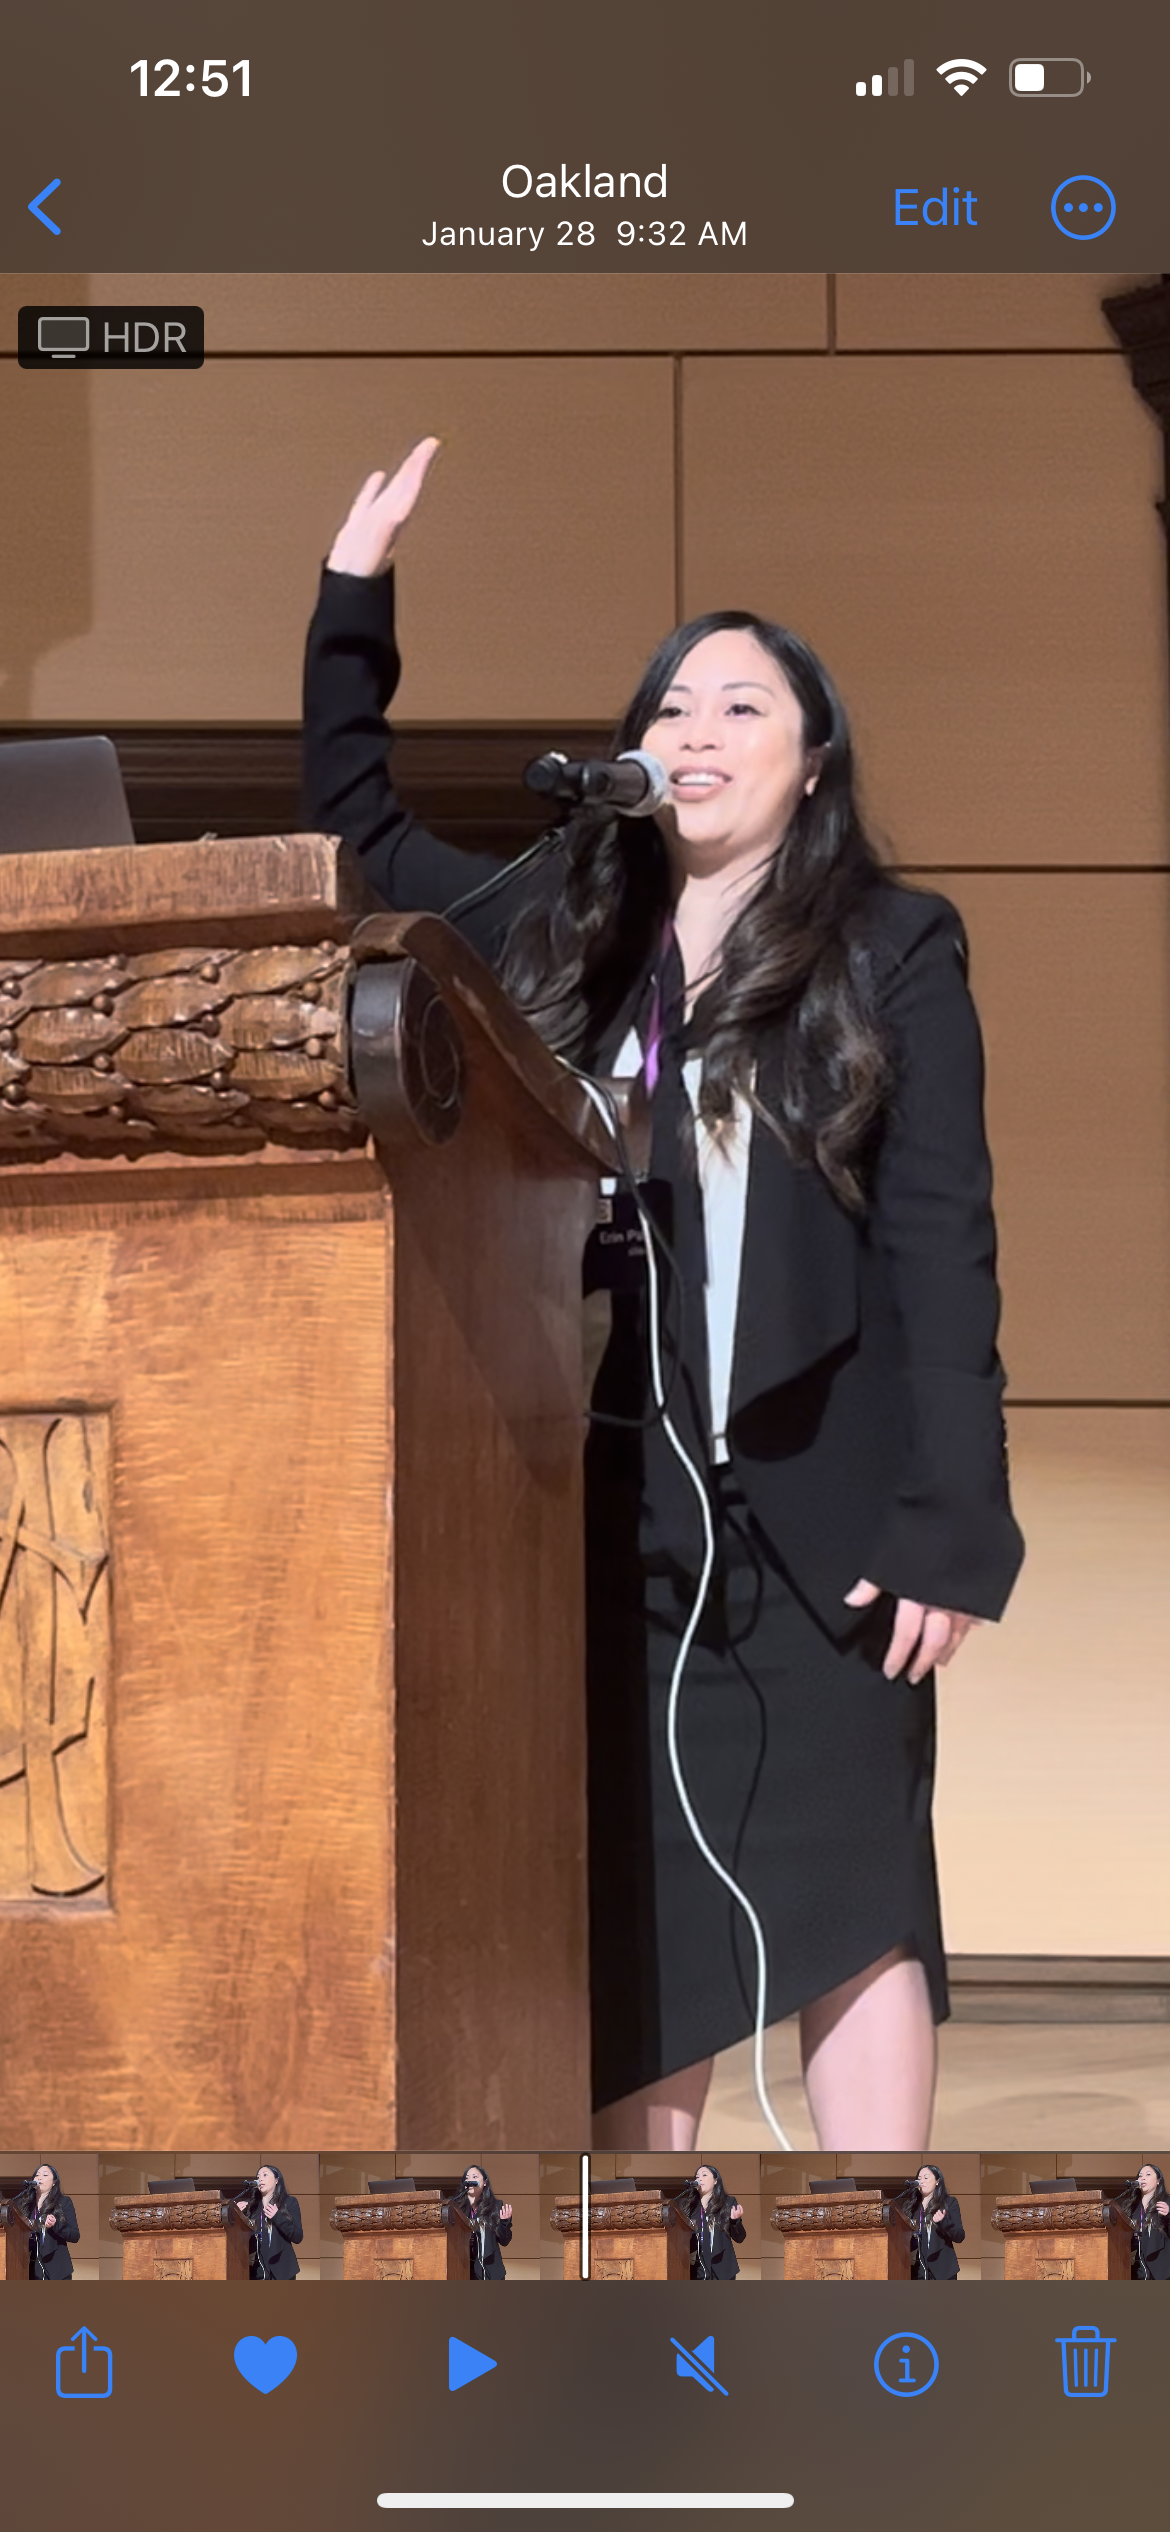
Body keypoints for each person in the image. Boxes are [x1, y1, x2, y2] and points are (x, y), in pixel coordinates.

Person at [303, 440, 1025, 2155]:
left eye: (740, 708)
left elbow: (943, 1242)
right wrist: (351, 596)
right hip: (621, 1519)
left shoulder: (892, 946)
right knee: (649, 1927)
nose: (694, 732)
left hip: (824, 1509)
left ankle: (872, 2257)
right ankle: (646, 2276)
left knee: (857, 1905)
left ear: (812, 761)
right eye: (670, 708)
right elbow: (358, 828)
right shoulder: (570, 924)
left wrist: (952, 1523)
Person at [677, 2163, 746, 2280]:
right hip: (697, 2267)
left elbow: (740, 2238)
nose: (699, 2179)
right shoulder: (688, 2206)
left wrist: (735, 2221)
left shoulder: (728, 2203)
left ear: (715, 2181)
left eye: (704, 2175)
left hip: (722, 2268)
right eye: (697, 2177)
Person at [235, 2166, 302, 2280]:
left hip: (282, 2270)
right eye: (258, 2177)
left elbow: (298, 2236)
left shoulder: (289, 2202)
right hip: (257, 2269)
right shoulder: (251, 2207)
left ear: (277, 2180)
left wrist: (277, 2217)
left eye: (265, 2175)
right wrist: (238, 2216)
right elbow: (241, 2237)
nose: (260, 2179)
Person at [901, 2163, 964, 2279]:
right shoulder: (911, 2206)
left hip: (942, 2269)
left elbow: (960, 2236)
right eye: (919, 2178)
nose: (921, 2181)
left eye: (926, 2177)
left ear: (937, 2181)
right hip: (917, 2269)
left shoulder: (949, 2203)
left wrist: (944, 2222)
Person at [452, 2166, 513, 2279]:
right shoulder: (456, 2207)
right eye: (467, 2178)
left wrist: (504, 2222)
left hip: (490, 2270)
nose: (470, 2180)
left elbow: (505, 2241)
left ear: (485, 2182)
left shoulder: (495, 2206)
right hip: (464, 2268)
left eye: (475, 2177)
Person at [25, 2163, 79, 2280]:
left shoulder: (63, 2202)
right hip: (32, 2268)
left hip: (57, 2268)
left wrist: (56, 2225)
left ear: (54, 2182)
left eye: (45, 2175)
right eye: (37, 2175)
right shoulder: (26, 2205)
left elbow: (75, 2236)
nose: (40, 2178)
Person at [1127, 2164, 1170, 2280]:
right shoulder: (1131, 2206)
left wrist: (1168, 2215)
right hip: (1138, 2267)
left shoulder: (1167, 2203)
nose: (1143, 2178)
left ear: (1158, 2181)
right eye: (1140, 2176)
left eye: (1148, 2174)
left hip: (1163, 2268)